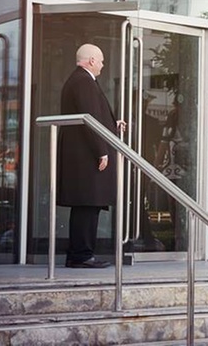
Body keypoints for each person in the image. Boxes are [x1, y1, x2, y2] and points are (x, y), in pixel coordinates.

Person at [57, 44, 126, 268]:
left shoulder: (78, 80)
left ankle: (80, 254)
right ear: (92, 61)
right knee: (87, 204)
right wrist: (102, 151)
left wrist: (112, 124)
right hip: (86, 156)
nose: (104, 65)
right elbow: (89, 119)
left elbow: (93, 115)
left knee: (87, 205)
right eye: (102, 61)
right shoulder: (83, 81)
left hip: (82, 155)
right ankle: (81, 255)